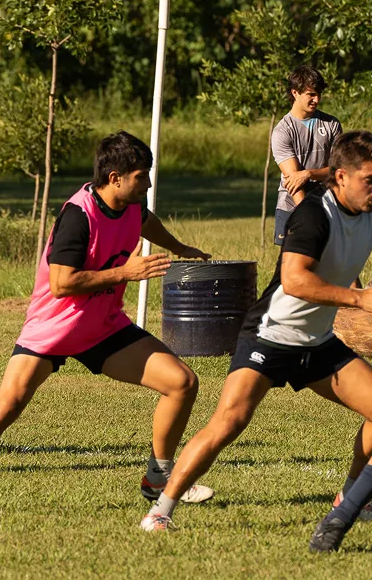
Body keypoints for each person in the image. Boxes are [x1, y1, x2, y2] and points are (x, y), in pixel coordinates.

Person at [0, 131, 213, 520]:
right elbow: (62, 284)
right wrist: (125, 272)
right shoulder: (78, 215)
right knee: (5, 409)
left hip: (103, 328)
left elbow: (147, 221)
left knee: (182, 382)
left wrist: (181, 250)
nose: (147, 184)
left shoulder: (131, 205)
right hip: (54, 330)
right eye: (141, 176)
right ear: (115, 178)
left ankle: (158, 479)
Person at [141, 130, 372, 533]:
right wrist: (359, 300)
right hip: (271, 335)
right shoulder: (314, 215)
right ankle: (160, 511)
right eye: (369, 180)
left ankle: (351, 500)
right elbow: (295, 280)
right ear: (340, 177)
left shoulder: (368, 213)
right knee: (229, 421)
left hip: (316, 343)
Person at [272, 65, 341, 245]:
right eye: (311, 94)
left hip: (327, 201)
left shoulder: (332, 124)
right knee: (292, 266)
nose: (316, 99)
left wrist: (308, 173)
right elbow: (292, 180)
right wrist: (308, 216)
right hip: (292, 205)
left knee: (334, 262)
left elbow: (338, 169)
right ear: (295, 93)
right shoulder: (282, 131)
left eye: (318, 94)